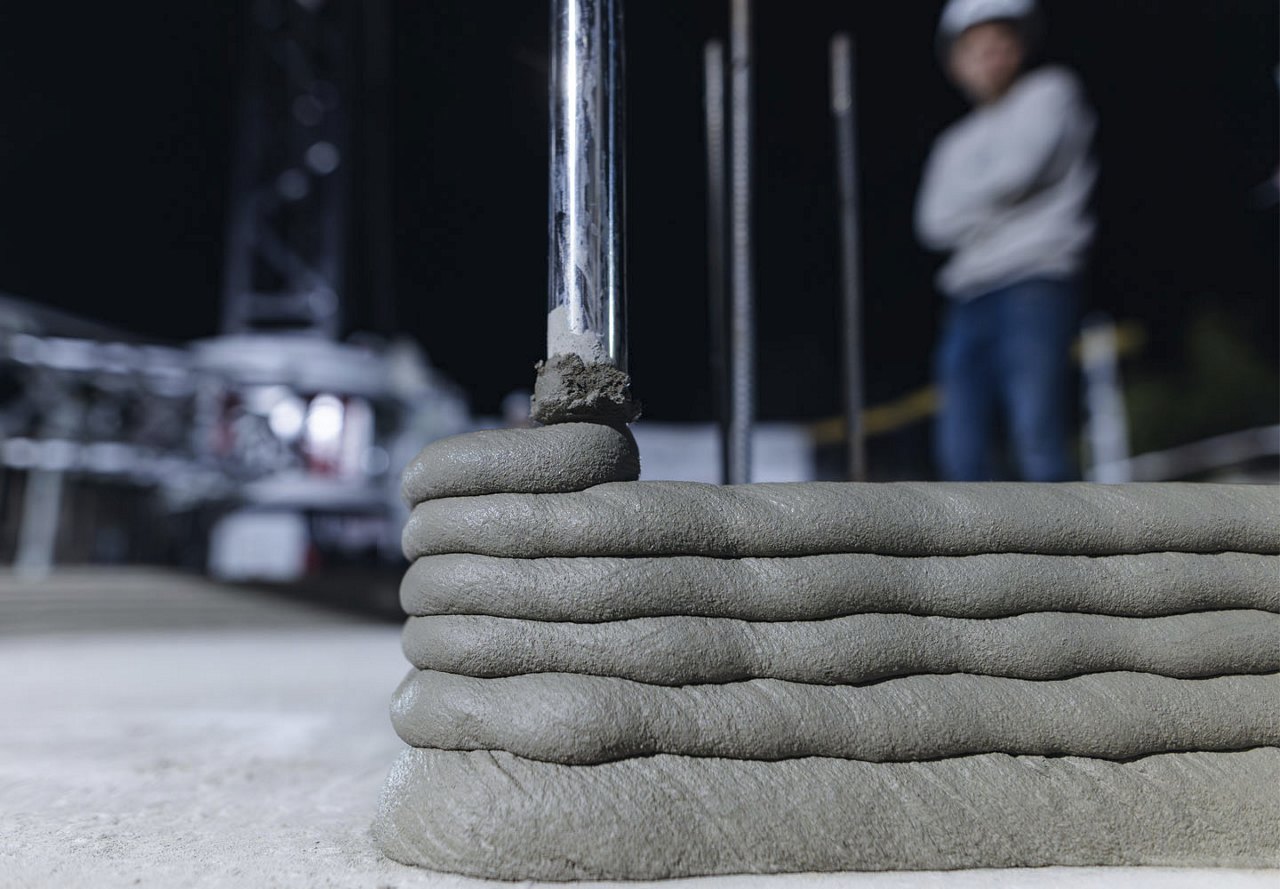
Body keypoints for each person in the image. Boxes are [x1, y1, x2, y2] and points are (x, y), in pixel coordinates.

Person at [916, 0, 1096, 481]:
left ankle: (1068, 553)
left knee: (1036, 431)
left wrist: (969, 210)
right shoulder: (950, 143)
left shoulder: (1052, 92)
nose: (991, 56)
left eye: (1002, 43)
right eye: (977, 48)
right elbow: (931, 224)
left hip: (1037, 279)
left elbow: (1022, 170)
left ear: (1020, 47)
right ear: (956, 63)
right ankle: (980, 555)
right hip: (967, 295)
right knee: (959, 444)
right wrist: (997, 204)